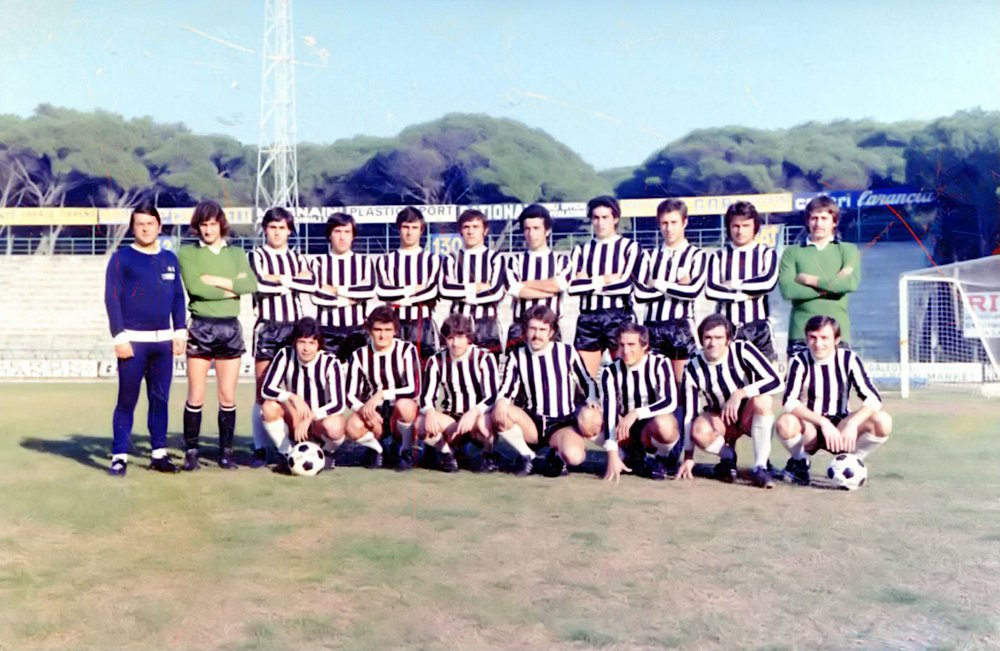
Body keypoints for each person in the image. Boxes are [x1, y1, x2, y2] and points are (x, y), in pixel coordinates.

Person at [104, 204, 187, 476]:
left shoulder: (169, 259)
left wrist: (180, 331)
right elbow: (112, 298)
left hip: (163, 344)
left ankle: (159, 454)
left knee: (160, 400)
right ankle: (119, 456)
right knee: (127, 400)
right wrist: (119, 336)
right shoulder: (121, 259)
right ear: (133, 227)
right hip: (133, 343)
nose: (145, 228)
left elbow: (178, 297)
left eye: (150, 223)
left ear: (159, 226)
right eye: (140, 224)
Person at [177, 200, 257, 471]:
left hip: (229, 328)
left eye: (212, 224)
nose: (208, 229)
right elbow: (196, 288)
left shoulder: (236, 253)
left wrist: (218, 281)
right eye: (203, 224)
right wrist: (231, 289)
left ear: (221, 224)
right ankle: (191, 453)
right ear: (197, 227)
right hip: (201, 326)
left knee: (227, 395)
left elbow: (250, 284)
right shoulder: (188, 253)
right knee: (196, 394)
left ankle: (226, 453)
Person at [775, 315, 891, 485]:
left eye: (824, 338)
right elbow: (789, 402)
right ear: (806, 338)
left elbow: (873, 398)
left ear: (836, 340)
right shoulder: (799, 360)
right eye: (813, 337)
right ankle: (800, 462)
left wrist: (852, 424)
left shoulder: (848, 359)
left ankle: (852, 461)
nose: (818, 344)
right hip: (811, 428)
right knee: (785, 422)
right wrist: (823, 422)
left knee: (883, 420)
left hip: (841, 427)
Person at [492, 305, 603, 477]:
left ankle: (557, 455)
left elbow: (587, 380)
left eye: (542, 330)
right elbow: (506, 388)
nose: (537, 334)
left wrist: (591, 398)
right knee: (501, 411)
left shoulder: (566, 352)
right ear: (525, 330)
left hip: (561, 422)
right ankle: (528, 455)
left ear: (551, 332)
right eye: (533, 329)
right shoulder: (517, 355)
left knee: (574, 456)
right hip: (532, 422)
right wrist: (501, 402)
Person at [678, 314, 783, 489]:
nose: (713, 343)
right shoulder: (692, 366)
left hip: (747, 415)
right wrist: (688, 458)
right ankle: (728, 456)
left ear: (728, 340)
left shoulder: (742, 350)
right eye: (708, 337)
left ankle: (760, 467)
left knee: (764, 401)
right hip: (720, 418)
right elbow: (690, 413)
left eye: (719, 337)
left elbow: (776, 381)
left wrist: (740, 394)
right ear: (701, 339)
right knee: (699, 430)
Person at [248, 207, 315, 468]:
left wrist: (279, 279)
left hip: (294, 328)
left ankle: (292, 443)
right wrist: (292, 281)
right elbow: (260, 284)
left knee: (292, 389)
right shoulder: (256, 255)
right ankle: (259, 448)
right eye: (272, 227)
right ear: (265, 230)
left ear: (289, 231)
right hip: (268, 327)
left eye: (282, 228)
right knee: (262, 390)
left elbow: (310, 284)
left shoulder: (297, 257)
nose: (277, 232)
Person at [634, 198, 708, 386]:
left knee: (683, 384)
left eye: (674, 222)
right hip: (651, 326)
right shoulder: (648, 256)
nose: (669, 228)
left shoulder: (697, 255)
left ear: (685, 222)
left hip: (681, 325)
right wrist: (677, 286)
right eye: (664, 223)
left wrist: (657, 283)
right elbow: (640, 294)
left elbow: (692, 291)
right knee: (652, 384)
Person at [414, 313, 501, 473]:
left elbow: (492, 396)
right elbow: (426, 397)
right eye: (450, 338)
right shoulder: (436, 361)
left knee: (484, 424)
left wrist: (473, 413)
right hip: (451, 419)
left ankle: (488, 454)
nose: (455, 343)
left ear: (468, 337)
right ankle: (447, 454)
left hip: (477, 418)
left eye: (460, 337)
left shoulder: (484, 358)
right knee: (420, 423)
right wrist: (430, 412)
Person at [568, 195, 642, 377]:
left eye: (605, 217)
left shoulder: (630, 247)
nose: (600, 223)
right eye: (596, 218)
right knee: (584, 379)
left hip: (619, 316)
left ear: (615, 218)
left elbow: (625, 286)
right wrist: (605, 279)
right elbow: (573, 288)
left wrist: (588, 282)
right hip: (588, 318)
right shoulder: (581, 250)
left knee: (626, 376)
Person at [259, 317, 347, 470]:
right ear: (295, 342)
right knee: (268, 407)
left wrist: (311, 417)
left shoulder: (330, 362)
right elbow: (266, 389)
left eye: (311, 343)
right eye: (302, 342)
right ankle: (287, 453)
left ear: (319, 344)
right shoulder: (285, 355)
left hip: (319, 421)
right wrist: (291, 397)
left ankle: (327, 452)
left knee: (335, 425)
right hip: (296, 418)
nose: (306, 348)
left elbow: (338, 404)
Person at [778, 196, 861, 357]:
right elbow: (788, 290)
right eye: (814, 218)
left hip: (837, 333)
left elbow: (850, 284)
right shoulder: (792, 252)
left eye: (824, 218)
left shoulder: (848, 250)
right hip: (800, 333)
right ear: (807, 221)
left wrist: (810, 280)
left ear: (834, 221)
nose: (818, 223)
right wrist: (832, 287)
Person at [600, 323, 680, 484]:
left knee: (665, 423)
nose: (625, 350)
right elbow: (610, 411)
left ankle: (662, 457)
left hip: (650, 426)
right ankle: (628, 455)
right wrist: (612, 454)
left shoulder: (660, 363)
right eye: (622, 345)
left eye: (631, 345)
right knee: (590, 417)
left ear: (645, 345)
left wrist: (636, 413)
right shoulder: (610, 371)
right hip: (625, 430)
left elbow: (670, 401)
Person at [344, 306, 421, 469]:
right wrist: (364, 410)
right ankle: (377, 449)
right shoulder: (359, 355)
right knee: (352, 426)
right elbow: (349, 395)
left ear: (395, 331)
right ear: (369, 330)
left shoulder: (407, 350)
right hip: (375, 412)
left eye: (388, 330)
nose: (382, 335)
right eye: (378, 329)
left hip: (398, 411)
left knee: (405, 406)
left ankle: (405, 450)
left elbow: (414, 389)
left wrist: (382, 394)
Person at [705, 201, 779, 361]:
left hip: (759, 328)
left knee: (766, 373)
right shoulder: (718, 256)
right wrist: (743, 296)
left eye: (745, 226)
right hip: (727, 328)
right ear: (729, 227)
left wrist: (734, 284)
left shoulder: (767, 253)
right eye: (736, 226)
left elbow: (768, 283)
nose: (740, 231)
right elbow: (710, 290)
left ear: (755, 226)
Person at [375, 206, 442, 360]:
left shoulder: (432, 260)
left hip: (422, 323)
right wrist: (412, 290)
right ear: (399, 229)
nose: (410, 232)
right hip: (394, 323)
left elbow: (431, 291)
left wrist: (399, 299)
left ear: (421, 230)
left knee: (424, 366)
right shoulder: (385, 260)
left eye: (414, 228)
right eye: (406, 227)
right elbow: (383, 292)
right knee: (394, 366)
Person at [310, 212, 376, 361]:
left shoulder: (364, 262)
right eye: (337, 231)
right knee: (328, 373)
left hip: (357, 329)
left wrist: (336, 290)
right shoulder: (318, 262)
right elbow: (318, 297)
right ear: (329, 234)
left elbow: (369, 291)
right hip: (327, 331)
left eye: (347, 232)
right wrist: (349, 300)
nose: (342, 237)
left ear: (353, 236)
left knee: (358, 373)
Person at [439, 209, 506, 354]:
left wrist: (461, 293)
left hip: (487, 323)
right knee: (457, 365)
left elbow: (496, 292)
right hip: (458, 323)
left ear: (485, 230)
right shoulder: (452, 258)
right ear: (460, 231)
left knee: (488, 365)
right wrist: (476, 287)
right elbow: (445, 289)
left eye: (476, 227)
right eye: (466, 227)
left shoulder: (495, 258)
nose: (470, 231)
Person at [505, 203, 571, 350]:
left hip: (550, 328)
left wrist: (525, 283)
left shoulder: (561, 260)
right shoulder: (515, 261)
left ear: (547, 231)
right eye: (527, 229)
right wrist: (550, 290)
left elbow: (560, 284)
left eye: (536, 228)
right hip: (520, 328)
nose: (531, 234)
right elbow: (514, 289)